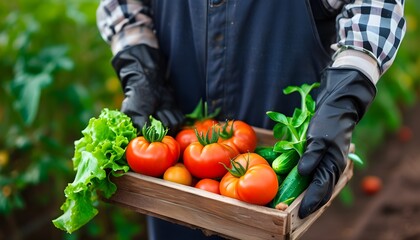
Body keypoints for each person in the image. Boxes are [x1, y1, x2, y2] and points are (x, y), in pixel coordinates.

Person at [96, 0, 406, 239]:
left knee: (283, 219)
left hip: (283, 66)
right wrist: (140, 66)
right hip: (177, 114)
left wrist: (348, 85)